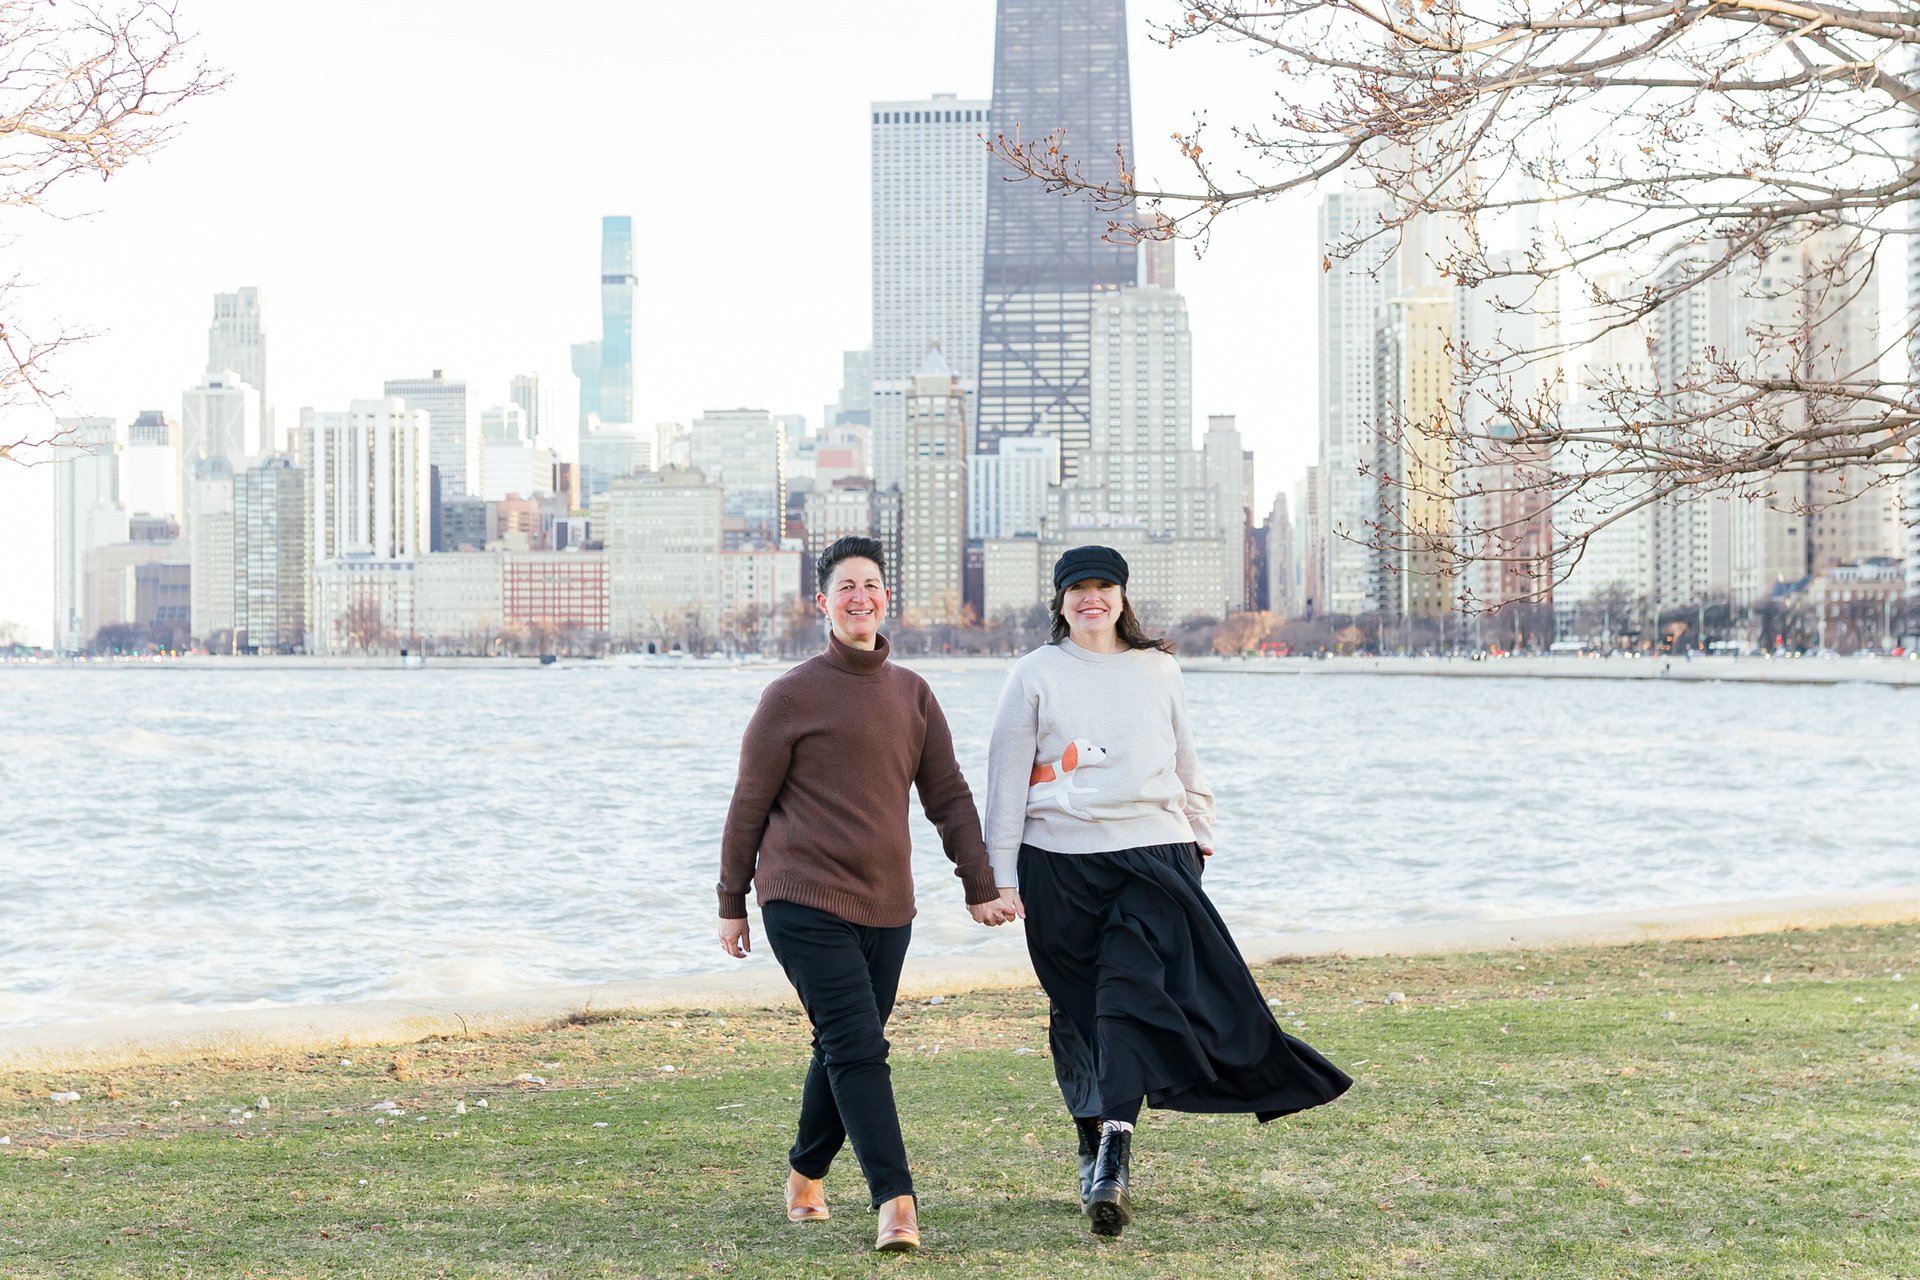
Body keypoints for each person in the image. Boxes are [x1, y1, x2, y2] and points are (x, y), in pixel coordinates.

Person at [985, 545, 1352, 1239]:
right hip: (1058, 865)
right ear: (1059, 601)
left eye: (1105, 586)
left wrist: (1200, 834)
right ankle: (1092, 1142)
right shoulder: (1034, 674)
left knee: (1129, 997)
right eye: (1077, 588)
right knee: (1080, 1014)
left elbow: (1186, 758)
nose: (1091, 598)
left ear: (1123, 597)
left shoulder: (1158, 669)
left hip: (1155, 857)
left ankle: (1114, 1159)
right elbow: (1005, 782)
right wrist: (998, 877)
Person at [717, 534, 1021, 1255]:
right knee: (859, 1046)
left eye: (871, 585)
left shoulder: (912, 693)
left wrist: (979, 884)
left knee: (841, 1046)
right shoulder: (790, 695)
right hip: (800, 897)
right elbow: (748, 804)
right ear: (822, 603)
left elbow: (948, 797)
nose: (860, 597)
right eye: (846, 587)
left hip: (888, 905)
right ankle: (896, 1201)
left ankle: (805, 1173)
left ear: (887, 598)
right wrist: (732, 901)